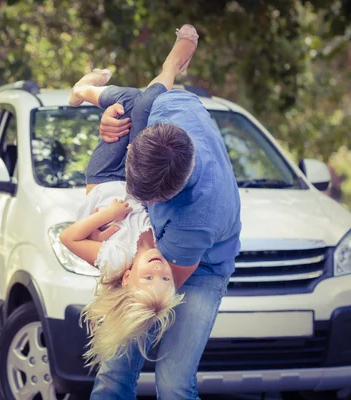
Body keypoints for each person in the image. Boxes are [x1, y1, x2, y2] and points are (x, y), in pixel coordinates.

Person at [78, 24, 242, 400]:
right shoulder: (163, 109)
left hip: (198, 270)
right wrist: (107, 126)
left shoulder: (197, 216)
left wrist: (123, 267)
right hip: (146, 257)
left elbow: (160, 281)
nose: (143, 204)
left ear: (173, 191)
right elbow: (161, 76)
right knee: (114, 373)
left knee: (173, 384)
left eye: (150, 200)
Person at [60, 42, 198, 367]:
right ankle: (169, 69)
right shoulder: (167, 246)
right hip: (139, 173)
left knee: (126, 105)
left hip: (105, 178)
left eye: (148, 279)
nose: (158, 271)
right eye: (165, 280)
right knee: (142, 103)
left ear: (126, 279)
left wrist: (106, 216)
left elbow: (68, 238)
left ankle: (82, 89)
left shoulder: (114, 260)